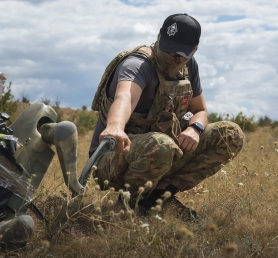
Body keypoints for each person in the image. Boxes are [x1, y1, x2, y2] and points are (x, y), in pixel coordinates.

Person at [89, 13, 244, 219]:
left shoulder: (189, 67)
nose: (171, 55)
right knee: (161, 145)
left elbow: (200, 110)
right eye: (167, 47)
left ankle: (159, 196)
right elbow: (125, 96)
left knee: (230, 134)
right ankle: (130, 202)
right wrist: (115, 126)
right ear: (159, 38)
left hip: (161, 151)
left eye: (178, 53)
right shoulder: (137, 64)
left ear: (192, 51)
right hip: (113, 156)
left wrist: (194, 129)